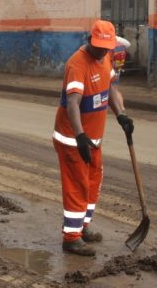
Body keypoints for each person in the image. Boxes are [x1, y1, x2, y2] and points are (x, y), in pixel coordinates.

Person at [53, 20, 134, 257]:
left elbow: (110, 89)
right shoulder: (77, 64)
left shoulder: (106, 57)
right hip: (72, 138)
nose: (101, 52)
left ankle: (82, 227)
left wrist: (122, 115)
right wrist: (79, 135)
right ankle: (71, 238)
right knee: (77, 186)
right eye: (98, 47)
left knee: (93, 182)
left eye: (105, 48)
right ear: (90, 40)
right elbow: (73, 103)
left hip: (94, 138)